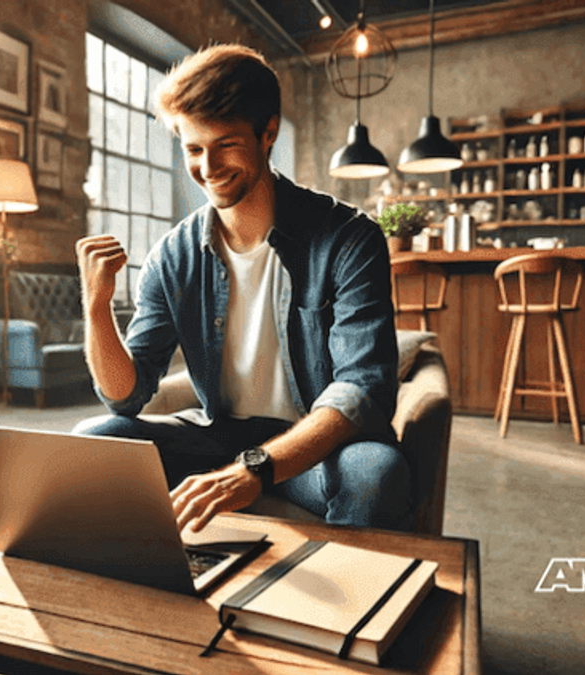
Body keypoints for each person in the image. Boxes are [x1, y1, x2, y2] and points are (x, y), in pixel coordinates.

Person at [73, 44, 412, 534]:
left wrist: (255, 468)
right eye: (193, 148)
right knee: (95, 439)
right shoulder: (174, 254)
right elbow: (127, 397)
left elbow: (363, 390)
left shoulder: (348, 237)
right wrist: (97, 307)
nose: (207, 167)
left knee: (376, 474)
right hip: (216, 436)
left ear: (268, 132)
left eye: (225, 144)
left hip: (317, 446)